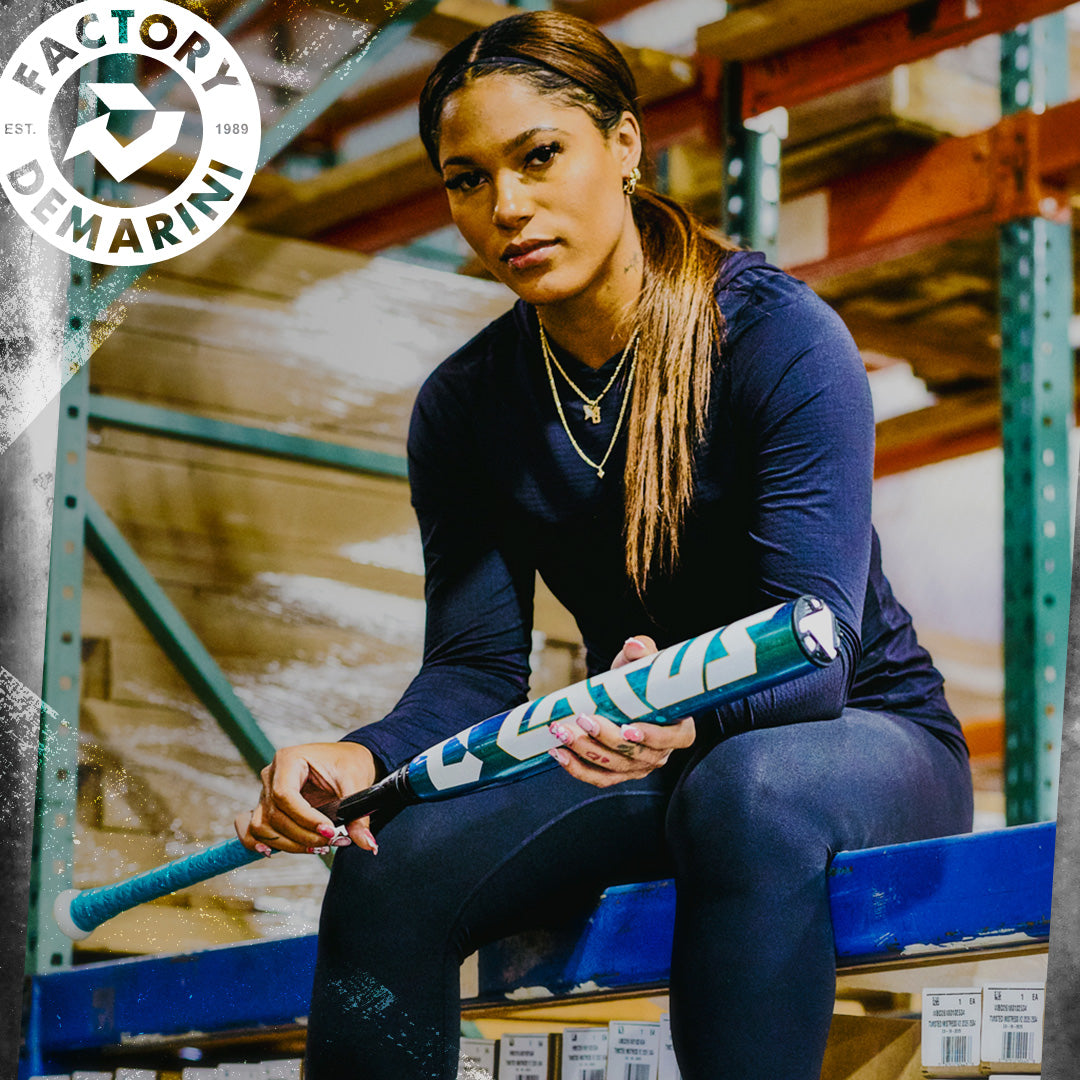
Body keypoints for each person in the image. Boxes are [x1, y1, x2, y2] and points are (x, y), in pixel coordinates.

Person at [235, 11, 973, 1078]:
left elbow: (814, 649)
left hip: (853, 737)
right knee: (389, 861)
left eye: (540, 157)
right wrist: (362, 760)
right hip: (637, 740)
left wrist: (674, 704)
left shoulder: (776, 336)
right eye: (467, 179)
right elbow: (475, 669)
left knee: (749, 792)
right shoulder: (466, 407)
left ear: (623, 147)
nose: (507, 208)